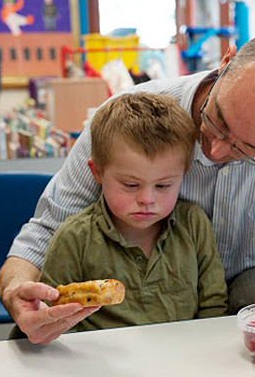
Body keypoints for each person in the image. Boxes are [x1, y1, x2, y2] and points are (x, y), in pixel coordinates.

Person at [0, 25, 255, 362]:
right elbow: (45, 232)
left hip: (248, 285)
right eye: (218, 121)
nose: (215, 150)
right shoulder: (125, 117)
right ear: (226, 63)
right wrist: (17, 294)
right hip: (143, 297)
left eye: (249, 149)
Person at [38, 92, 228, 332]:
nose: (147, 199)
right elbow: (53, 317)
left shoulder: (194, 223)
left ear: (184, 174)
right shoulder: (74, 238)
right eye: (130, 185)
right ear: (97, 172)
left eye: (163, 185)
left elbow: (214, 304)